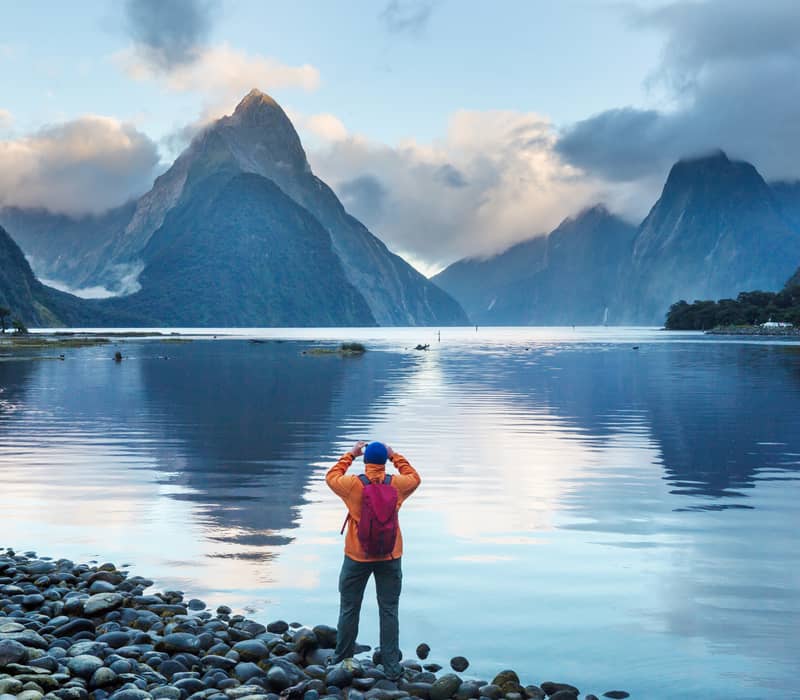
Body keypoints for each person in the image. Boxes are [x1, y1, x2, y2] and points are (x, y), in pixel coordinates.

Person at [325, 440, 421, 680]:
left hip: (357, 557)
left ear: (366, 461)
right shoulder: (397, 484)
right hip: (390, 556)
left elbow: (331, 476)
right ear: (384, 461)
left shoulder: (352, 485)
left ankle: (342, 659)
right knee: (389, 610)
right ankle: (391, 668)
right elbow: (415, 477)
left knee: (349, 607)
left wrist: (351, 455)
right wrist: (395, 455)